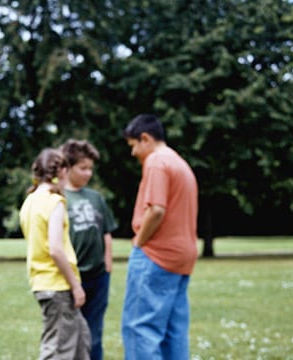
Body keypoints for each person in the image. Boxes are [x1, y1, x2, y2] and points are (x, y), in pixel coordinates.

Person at [120, 114, 198, 359]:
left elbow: (156, 209)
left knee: (139, 328)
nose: (133, 154)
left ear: (145, 138)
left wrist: (139, 241)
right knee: (173, 331)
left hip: (157, 255)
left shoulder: (156, 162)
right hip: (182, 257)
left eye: (133, 146)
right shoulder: (180, 163)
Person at [19, 148, 91, 360]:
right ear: (61, 171)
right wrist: (76, 286)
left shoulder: (29, 201)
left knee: (81, 340)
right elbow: (56, 249)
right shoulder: (54, 202)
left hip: (44, 283)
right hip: (57, 285)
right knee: (58, 351)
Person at [60, 139, 117, 360]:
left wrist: (108, 265)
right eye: (83, 168)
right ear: (67, 167)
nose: (88, 173)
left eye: (90, 169)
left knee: (94, 334)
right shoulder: (59, 198)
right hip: (71, 277)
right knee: (70, 333)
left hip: (98, 276)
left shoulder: (96, 198)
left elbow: (106, 232)